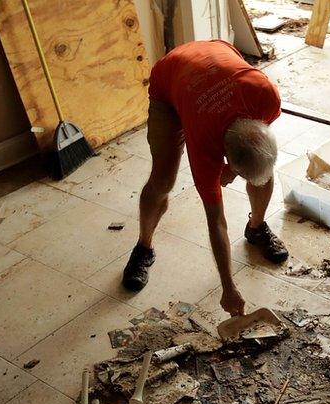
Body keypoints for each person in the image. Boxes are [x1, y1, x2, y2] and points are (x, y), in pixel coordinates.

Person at [122, 40, 289, 317]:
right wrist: (228, 287)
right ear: (222, 153)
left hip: (216, 56)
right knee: (162, 181)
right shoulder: (204, 144)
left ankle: (256, 227)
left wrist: (235, 169)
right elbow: (217, 222)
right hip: (171, 80)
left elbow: (255, 153)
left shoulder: (266, 96)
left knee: (261, 170)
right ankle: (143, 247)